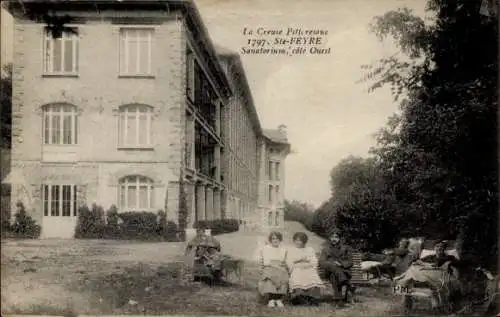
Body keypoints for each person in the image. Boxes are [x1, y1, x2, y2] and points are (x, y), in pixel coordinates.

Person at [287, 232, 324, 305]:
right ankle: (298, 298)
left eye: (300, 240)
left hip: (308, 268)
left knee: (313, 277)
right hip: (296, 268)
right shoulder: (291, 250)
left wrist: (309, 262)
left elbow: (314, 260)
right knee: (298, 277)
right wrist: (299, 260)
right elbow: (289, 261)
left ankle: (312, 298)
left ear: (304, 241)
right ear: (294, 241)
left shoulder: (310, 249)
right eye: (296, 240)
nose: (298, 242)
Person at [318, 230, 353, 306]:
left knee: (334, 276)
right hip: (330, 271)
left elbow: (350, 261)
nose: (334, 239)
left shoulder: (345, 248)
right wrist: (331, 264)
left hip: (344, 271)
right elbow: (321, 262)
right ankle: (346, 283)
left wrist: (341, 264)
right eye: (332, 237)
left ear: (339, 238)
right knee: (333, 270)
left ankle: (338, 300)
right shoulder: (325, 249)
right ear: (330, 238)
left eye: (336, 237)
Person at [258, 231, 289, 308]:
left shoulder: (283, 249)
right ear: (270, 240)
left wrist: (283, 265)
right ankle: (271, 299)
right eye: (273, 239)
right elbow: (266, 262)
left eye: (277, 239)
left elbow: (284, 261)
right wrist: (274, 266)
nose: (275, 240)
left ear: (280, 240)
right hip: (269, 266)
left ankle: (278, 299)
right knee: (270, 275)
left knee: (283, 274)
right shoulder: (266, 248)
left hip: (280, 267)